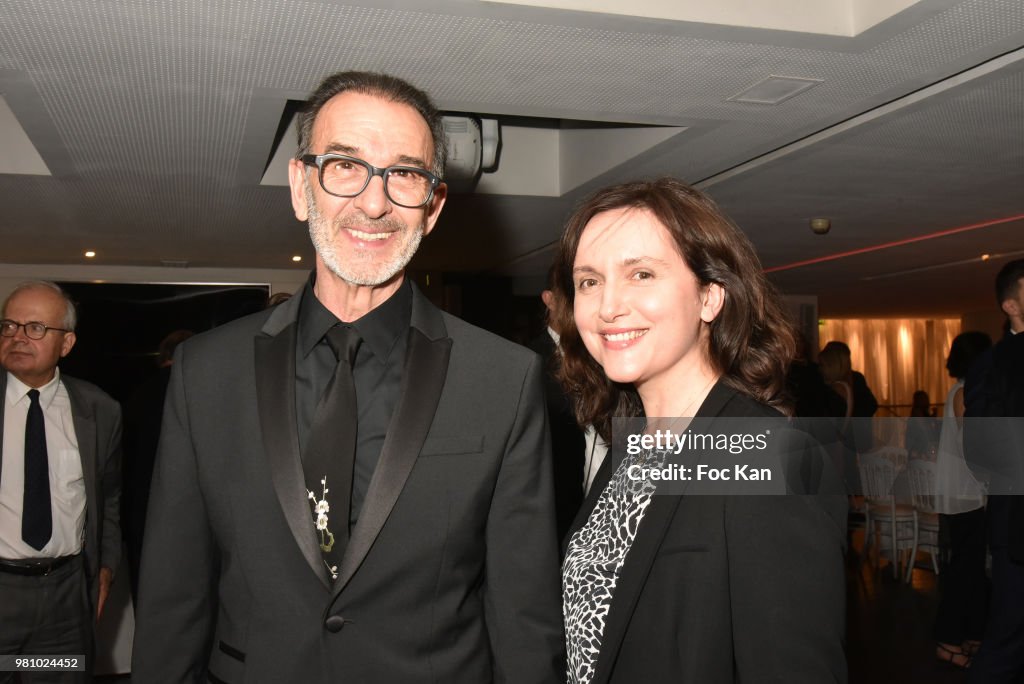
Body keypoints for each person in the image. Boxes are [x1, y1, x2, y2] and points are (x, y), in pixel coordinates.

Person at [132, 71, 564, 683]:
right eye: (344, 165)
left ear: (433, 207)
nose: (374, 202)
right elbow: (174, 593)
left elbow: (525, 610)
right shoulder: (207, 371)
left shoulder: (505, 376)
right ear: (300, 186)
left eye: (406, 174)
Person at [550, 178, 847, 683]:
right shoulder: (633, 445)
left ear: (710, 298)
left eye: (641, 274)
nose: (607, 306)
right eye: (589, 281)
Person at [0, 281, 122, 682]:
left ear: (66, 343)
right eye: (9, 326)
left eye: (35, 328)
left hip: (65, 602)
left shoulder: (99, 410)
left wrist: (104, 569)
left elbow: (108, 498)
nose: (18, 337)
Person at [965, 259, 1024, 683]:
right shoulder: (994, 364)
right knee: (1009, 635)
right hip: (1018, 521)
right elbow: (981, 448)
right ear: (1010, 306)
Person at [932, 332, 991, 669]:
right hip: (968, 493)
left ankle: (970, 633)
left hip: (963, 492)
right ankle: (948, 639)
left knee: (968, 569)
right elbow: (973, 448)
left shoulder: (961, 390)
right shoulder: (966, 392)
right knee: (965, 569)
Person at [121, 328, 193, 604]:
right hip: (191, 515)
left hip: (144, 513)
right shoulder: (201, 393)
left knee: (150, 599)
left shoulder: (138, 394)